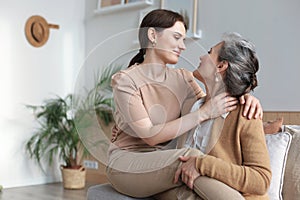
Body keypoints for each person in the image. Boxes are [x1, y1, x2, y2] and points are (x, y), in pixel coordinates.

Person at [106, 9, 263, 199]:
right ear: (153, 35)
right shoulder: (125, 80)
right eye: (177, 37)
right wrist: (203, 113)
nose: (183, 46)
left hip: (164, 164)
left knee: (191, 193)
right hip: (128, 163)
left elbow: (215, 102)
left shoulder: (183, 78)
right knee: (190, 158)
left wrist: (245, 97)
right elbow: (151, 136)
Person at [170, 32, 271, 200]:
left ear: (221, 66)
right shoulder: (191, 106)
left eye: (209, 52)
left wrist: (201, 163)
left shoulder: (245, 114)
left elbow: (261, 180)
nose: (202, 56)